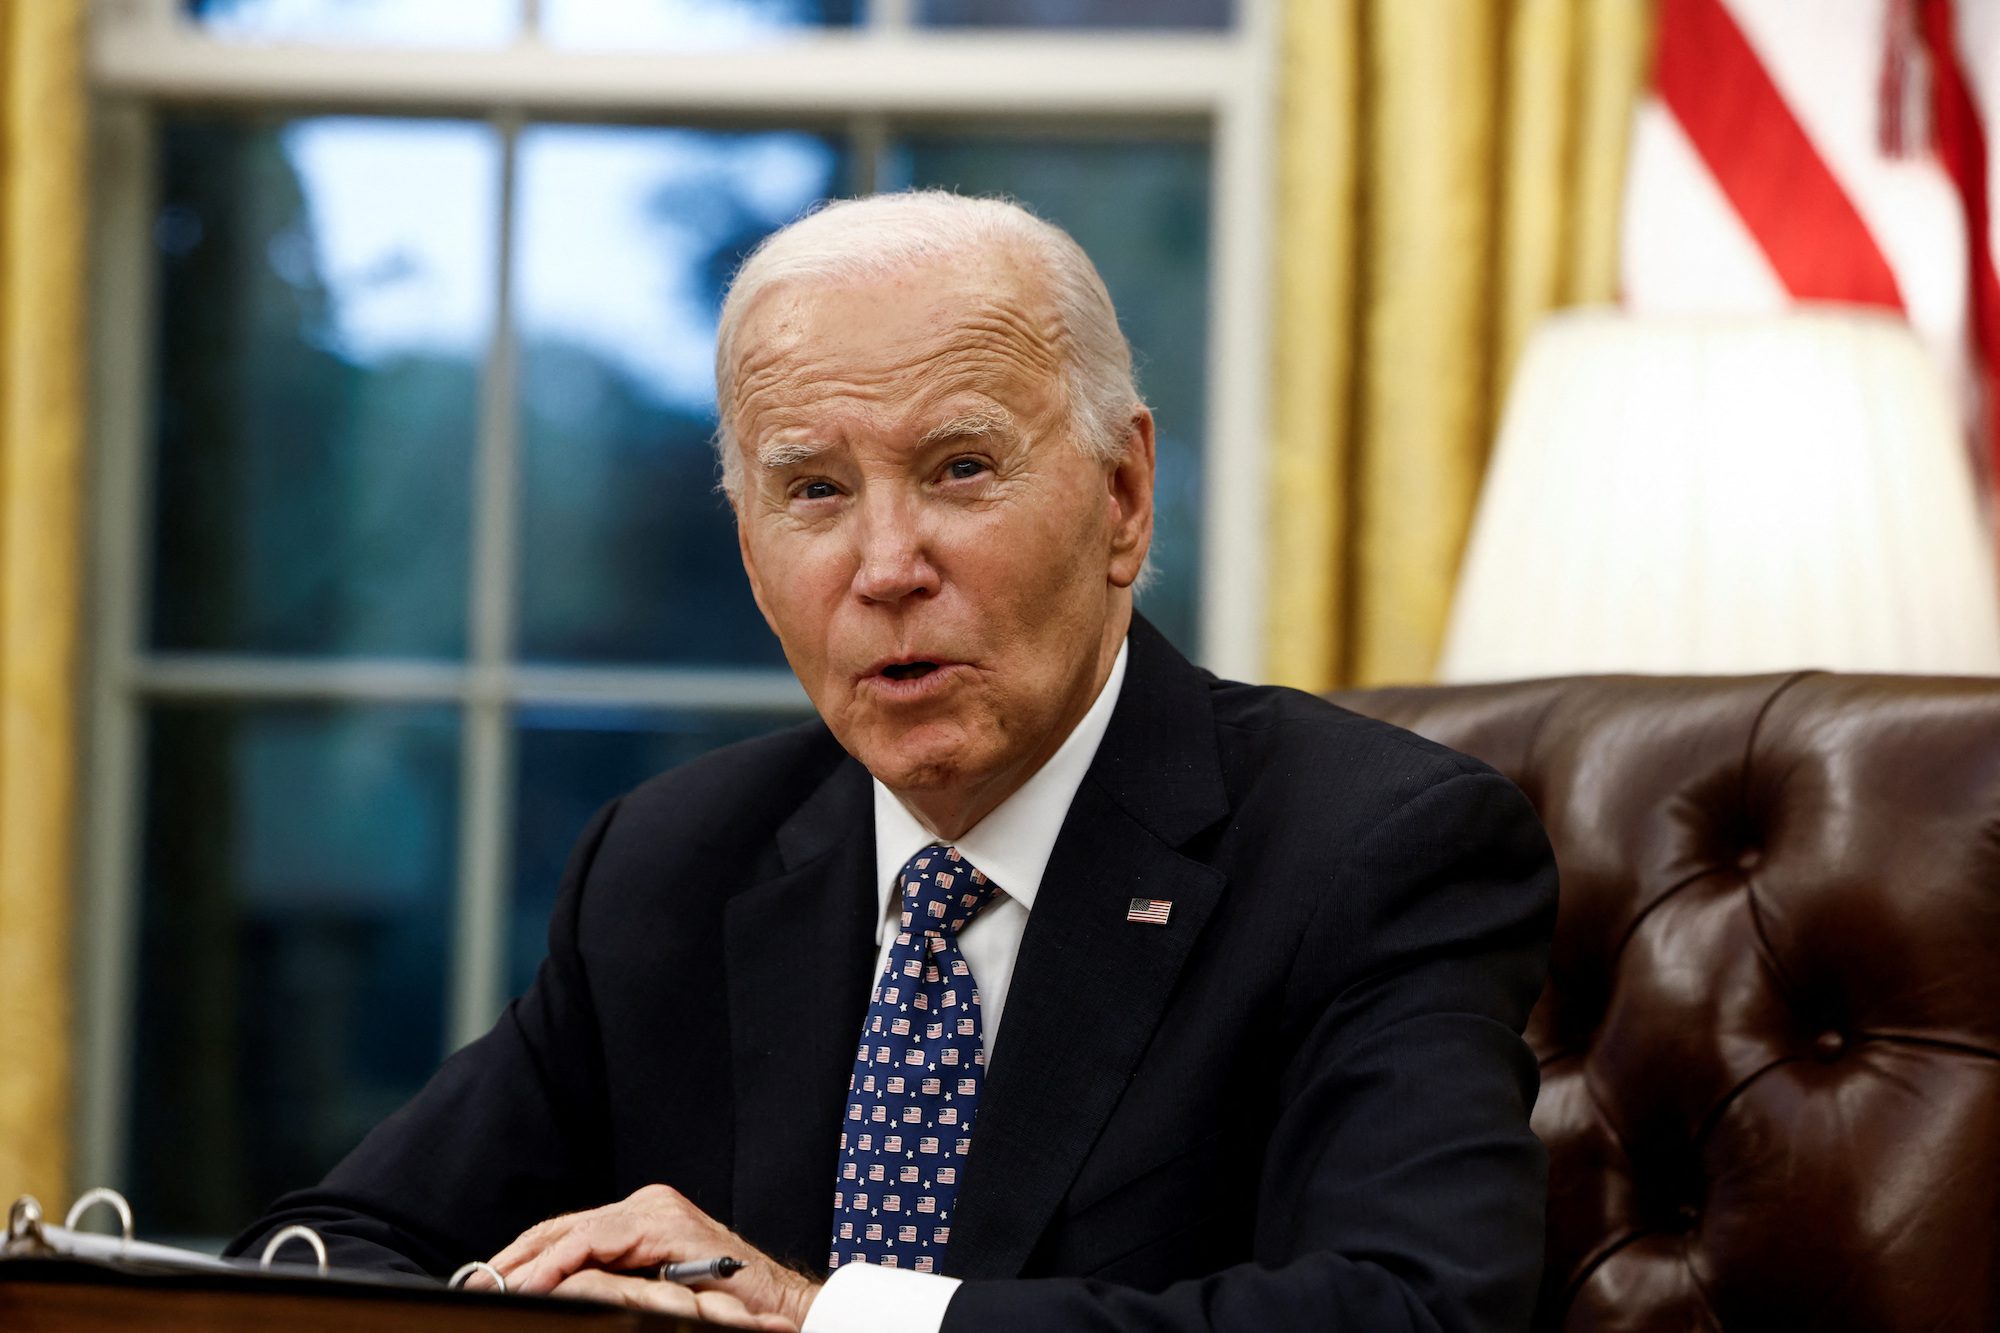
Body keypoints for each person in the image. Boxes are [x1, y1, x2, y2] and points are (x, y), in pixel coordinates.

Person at [230, 191, 1558, 1333]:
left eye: (961, 466)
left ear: (1123, 497)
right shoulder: (671, 865)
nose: (883, 567)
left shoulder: (1372, 850)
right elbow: (321, 1256)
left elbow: (1415, 1308)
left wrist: (829, 1318)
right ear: (749, 548)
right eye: (813, 490)